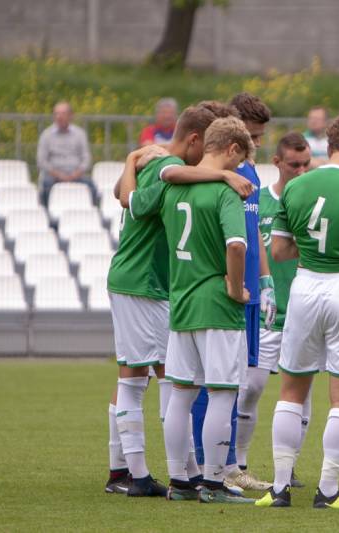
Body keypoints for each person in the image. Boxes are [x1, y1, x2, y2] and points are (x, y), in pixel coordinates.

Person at [105, 106, 254, 497]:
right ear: (195, 141)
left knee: (165, 382)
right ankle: (146, 474)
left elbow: (128, 199)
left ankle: (172, 475)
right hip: (150, 283)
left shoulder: (167, 174)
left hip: (172, 291)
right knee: (168, 384)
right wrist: (223, 173)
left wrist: (132, 158)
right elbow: (235, 245)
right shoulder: (175, 170)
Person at [255, 112, 339, 510]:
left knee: (291, 390)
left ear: (329, 145)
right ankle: (328, 490)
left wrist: (313, 248)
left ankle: (279, 488)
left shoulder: (297, 186)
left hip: (304, 285)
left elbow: (278, 250)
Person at [187, 94, 278, 493]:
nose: (252, 148)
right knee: (213, 382)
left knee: (237, 382)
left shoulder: (249, 172)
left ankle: (230, 463)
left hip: (251, 289)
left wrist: (266, 278)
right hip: (227, 288)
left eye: (258, 138)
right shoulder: (211, 173)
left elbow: (253, 227)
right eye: (248, 138)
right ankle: (208, 467)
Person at [234, 132, 312, 488]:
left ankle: (288, 465)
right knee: (250, 389)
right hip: (268, 312)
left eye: (306, 164)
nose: (300, 170)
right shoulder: (258, 200)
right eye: (293, 164)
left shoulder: (313, 203)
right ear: (277, 163)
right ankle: (239, 462)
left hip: (303, 312)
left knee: (302, 393)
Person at [37, 101, 95, 204]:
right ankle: (47, 216)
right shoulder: (46, 135)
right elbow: (42, 161)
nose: (59, 117)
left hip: (76, 175)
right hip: (54, 176)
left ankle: (92, 214)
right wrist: (59, 175)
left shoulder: (80, 134)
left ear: (71, 116)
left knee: (91, 186)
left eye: (63, 113)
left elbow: (86, 158)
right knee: (46, 185)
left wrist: (75, 174)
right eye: (56, 113)